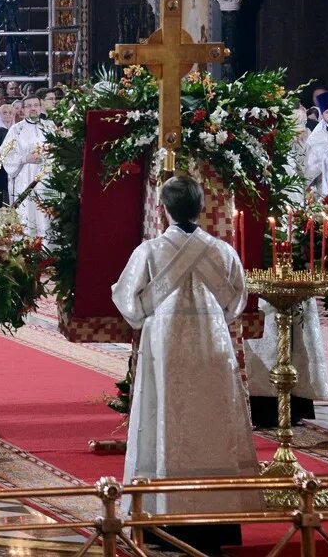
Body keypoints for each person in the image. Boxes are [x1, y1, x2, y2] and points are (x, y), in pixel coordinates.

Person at [112, 176, 257, 548]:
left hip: (166, 348)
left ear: (163, 209)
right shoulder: (222, 251)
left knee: (166, 417)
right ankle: (217, 518)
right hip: (212, 347)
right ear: (201, 207)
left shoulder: (150, 251)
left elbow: (128, 303)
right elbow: (236, 302)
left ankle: (164, 517)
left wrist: (149, 313)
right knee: (212, 418)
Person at [1, 94, 51, 238]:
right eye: (29, 106)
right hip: (24, 181)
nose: (33, 108)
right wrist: (24, 158)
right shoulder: (16, 130)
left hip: (46, 180)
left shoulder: (50, 126)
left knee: (46, 215)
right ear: (22, 110)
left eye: (36, 105)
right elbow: (5, 154)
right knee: (25, 215)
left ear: (40, 107)